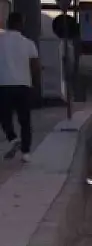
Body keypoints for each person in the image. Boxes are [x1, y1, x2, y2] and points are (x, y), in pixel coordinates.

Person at [0, 9, 41, 163]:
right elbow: (35, 67)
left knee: (5, 117)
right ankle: (26, 152)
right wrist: (36, 86)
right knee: (25, 120)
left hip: (3, 84)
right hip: (24, 85)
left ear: (8, 23)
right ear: (21, 24)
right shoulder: (29, 44)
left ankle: (12, 137)